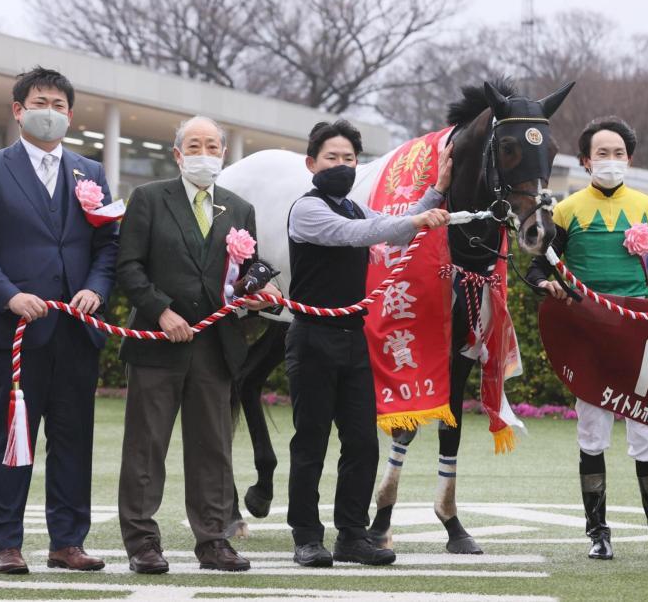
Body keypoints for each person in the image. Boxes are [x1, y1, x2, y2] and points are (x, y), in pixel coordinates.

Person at [0, 67, 118, 574]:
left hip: (76, 330)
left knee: (73, 439)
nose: (50, 112)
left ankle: (67, 542)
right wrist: (9, 296)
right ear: (18, 110)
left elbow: (107, 244)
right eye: (40, 102)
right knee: (13, 439)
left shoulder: (89, 171)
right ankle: (7, 543)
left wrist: (95, 287)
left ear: (70, 114)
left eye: (59, 104)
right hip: (17, 335)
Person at [115, 115, 281, 574]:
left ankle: (213, 539)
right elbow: (128, 267)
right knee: (146, 447)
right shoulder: (149, 199)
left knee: (213, 448)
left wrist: (259, 291)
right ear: (177, 153)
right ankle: (143, 542)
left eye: (212, 145)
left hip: (216, 347)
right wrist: (161, 310)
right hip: (157, 344)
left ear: (224, 154)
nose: (203, 153)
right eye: (194, 145)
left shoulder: (238, 208)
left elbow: (242, 273)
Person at [286, 120, 451, 567]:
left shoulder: (358, 208)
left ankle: (352, 535)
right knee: (311, 442)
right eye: (331, 158)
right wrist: (416, 218)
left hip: (352, 338)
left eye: (349, 159)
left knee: (362, 442)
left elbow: (393, 229)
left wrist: (436, 194)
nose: (341, 165)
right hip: (312, 338)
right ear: (311, 163)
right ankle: (306, 536)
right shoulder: (307, 210)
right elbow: (353, 236)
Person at [527, 116, 648, 560]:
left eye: (619, 153)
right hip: (589, 331)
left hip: (639, 332)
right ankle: (598, 534)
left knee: (646, 434)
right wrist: (547, 285)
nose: (611, 161)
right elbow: (538, 266)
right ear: (585, 161)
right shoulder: (566, 209)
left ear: (631, 160)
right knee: (592, 433)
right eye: (602, 153)